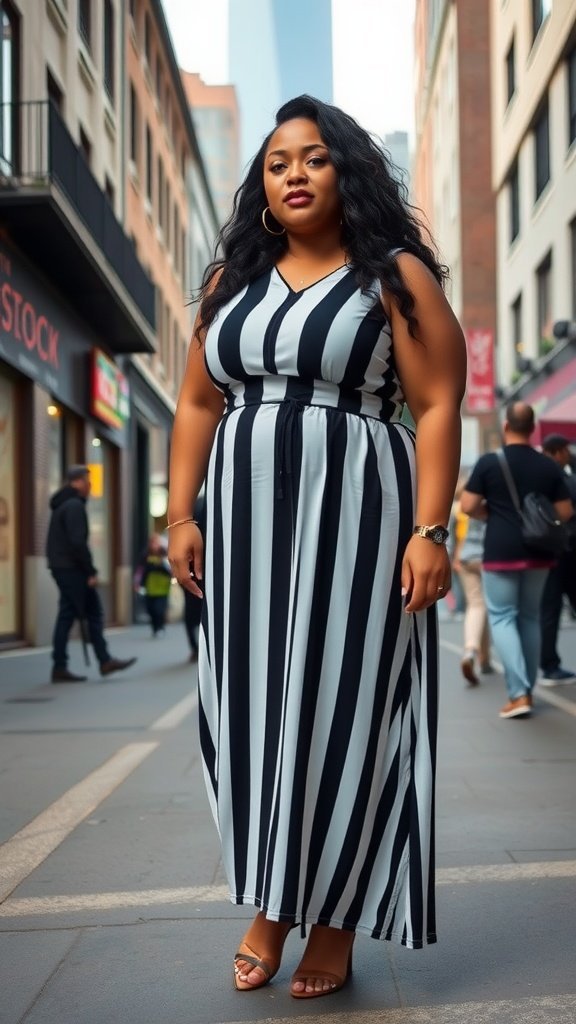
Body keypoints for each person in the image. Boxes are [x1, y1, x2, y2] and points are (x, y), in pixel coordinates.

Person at [168, 95, 466, 999]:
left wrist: (430, 530)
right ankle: (272, 900)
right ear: (261, 186)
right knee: (255, 713)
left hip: (362, 519)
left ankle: (331, 921)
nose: (293, 173)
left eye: (313, 158)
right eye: (276, 163)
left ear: (348, 171)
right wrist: (180, 516)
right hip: (245, 528)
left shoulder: (394, 276)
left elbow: (438, 403)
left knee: (348, 710)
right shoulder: (232, 281)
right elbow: (197, 402)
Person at [461, 404, 573, 719]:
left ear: (506, 425)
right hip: (540, 552)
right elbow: (565, 512)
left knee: (502, 617)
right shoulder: (548, 465)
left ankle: (518, 693)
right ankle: (527, 690)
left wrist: (492, 513)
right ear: (533, 427)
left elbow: (467, 505)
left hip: (501, 549)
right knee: (529, 618)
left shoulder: (489, 462)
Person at [46, 465, 137, 682]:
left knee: (70, 613)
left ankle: (72, 663)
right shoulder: (74, 506)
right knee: (88, 613)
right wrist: (90, 571)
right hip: (73, 569)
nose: (90, 486)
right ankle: (98, 661)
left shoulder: (63, 505)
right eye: (88, 481)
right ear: (77, 482)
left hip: (63, 567)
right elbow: (77, 543)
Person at [539, 433, 576, 685]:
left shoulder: (538, 475)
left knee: (549, 610)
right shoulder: (565, 479)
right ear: (559, 451)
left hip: (546, 551)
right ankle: (550, 665)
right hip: (569, 551)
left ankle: (549, 665)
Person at [452, 514, 492, 685]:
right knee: (490, 608)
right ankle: (481, 656)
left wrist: (456, 557)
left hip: (467, 556)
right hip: (490, 556)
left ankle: (475, 653)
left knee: (476, 605)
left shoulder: (464, 506)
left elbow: (460, 533)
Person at [137, 534, 173, 637]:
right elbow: (140, 571)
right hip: (149, 587)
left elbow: (170, 570)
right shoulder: (145, 555)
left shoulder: (164, 554)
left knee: (159, 609)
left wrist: (162, 565)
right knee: (150, 609)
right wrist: (137, 582)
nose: (154, 545)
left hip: (163, 587)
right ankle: (155, 628)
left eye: (156, 543)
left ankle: (160, 627)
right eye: (153, 543)